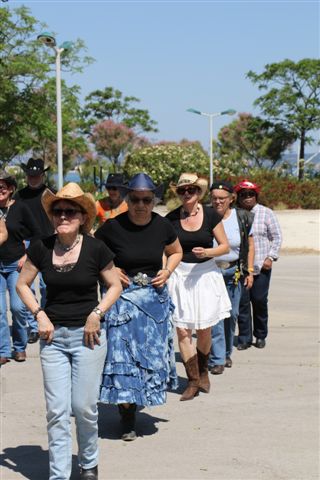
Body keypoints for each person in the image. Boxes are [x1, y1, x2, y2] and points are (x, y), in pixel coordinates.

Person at [16, 182, 122, 480]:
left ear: (82, 216)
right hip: (53, 339)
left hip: (88, 338)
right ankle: (59, 474)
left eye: (70, 211)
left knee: (84, 407)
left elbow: (114, 285)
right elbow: (22, 284)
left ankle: (88, 462)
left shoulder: (96, 248)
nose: (63, 216)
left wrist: (97, 313)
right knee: (57, 411)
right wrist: (39, 314)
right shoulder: (42, 247)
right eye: (58, 211)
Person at [95, 173, 182, 441]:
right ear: (127, 198)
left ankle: (140, 399)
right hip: (121, 300)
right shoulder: (111, 227)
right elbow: (94, 255)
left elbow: (176, 251)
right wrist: (111, 269)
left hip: (153, 301)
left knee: (148, 359)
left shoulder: (162, 225)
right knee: (123, 357)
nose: (141, 205)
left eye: (147, 199)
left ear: (154, 200)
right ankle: (127, 414)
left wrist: (167, 271)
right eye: (135, 199)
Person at [166, 173, 231, 401]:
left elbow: (224, 247)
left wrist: (208, 252)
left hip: (205, 274)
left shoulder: (211, 214)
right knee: (182, 331)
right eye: (182, 191)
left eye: (190, 190)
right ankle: (192, 380)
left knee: (204, 330)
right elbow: (166, 249)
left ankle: (203, 371)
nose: (186, 194)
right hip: (181, 275)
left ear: (198, 192)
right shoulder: (171, 218)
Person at [208, 181, 255, 374]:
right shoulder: (206, 216)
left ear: (231, 199)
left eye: (222, 198)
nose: (217, 202)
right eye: (214, 198)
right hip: (211, 272)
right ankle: (217, 359)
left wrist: (250, 271)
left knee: (232, 315)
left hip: (234, 272)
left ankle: (226, 353)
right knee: (216, 316)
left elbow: (250, 246)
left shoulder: (242, 217)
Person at [234, 180, 282, 349]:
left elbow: (277, 237)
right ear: (238, 198)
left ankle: (260, 335)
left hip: (261, 266)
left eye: (251, 194)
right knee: (243, 303)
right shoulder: (234, 214)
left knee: (259, 300)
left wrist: (271, 257)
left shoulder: (266, 213)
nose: (247, 198)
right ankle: (244, 338)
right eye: (243, 195)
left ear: (256, 196)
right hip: (241, 268)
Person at [0, 169, 41, 366]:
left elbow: (37, 233)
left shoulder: (21, 208)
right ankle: (3, 350)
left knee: (17, 307)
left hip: (16, 264)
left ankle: (19, 347)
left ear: (10, 188)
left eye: (4, 186)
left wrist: (27, 255)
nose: (0, 190)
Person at [15, 157, 55, 344]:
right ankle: (32, 325)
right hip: (26, 245)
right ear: (26, 175)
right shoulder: (19, 196)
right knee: (26, 287)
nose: (33, 178)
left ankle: (47, 320)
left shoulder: (51, 195)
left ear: (42, 175)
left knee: (46, 286)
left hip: (48, 242)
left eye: (36, 175)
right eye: (30, 175)